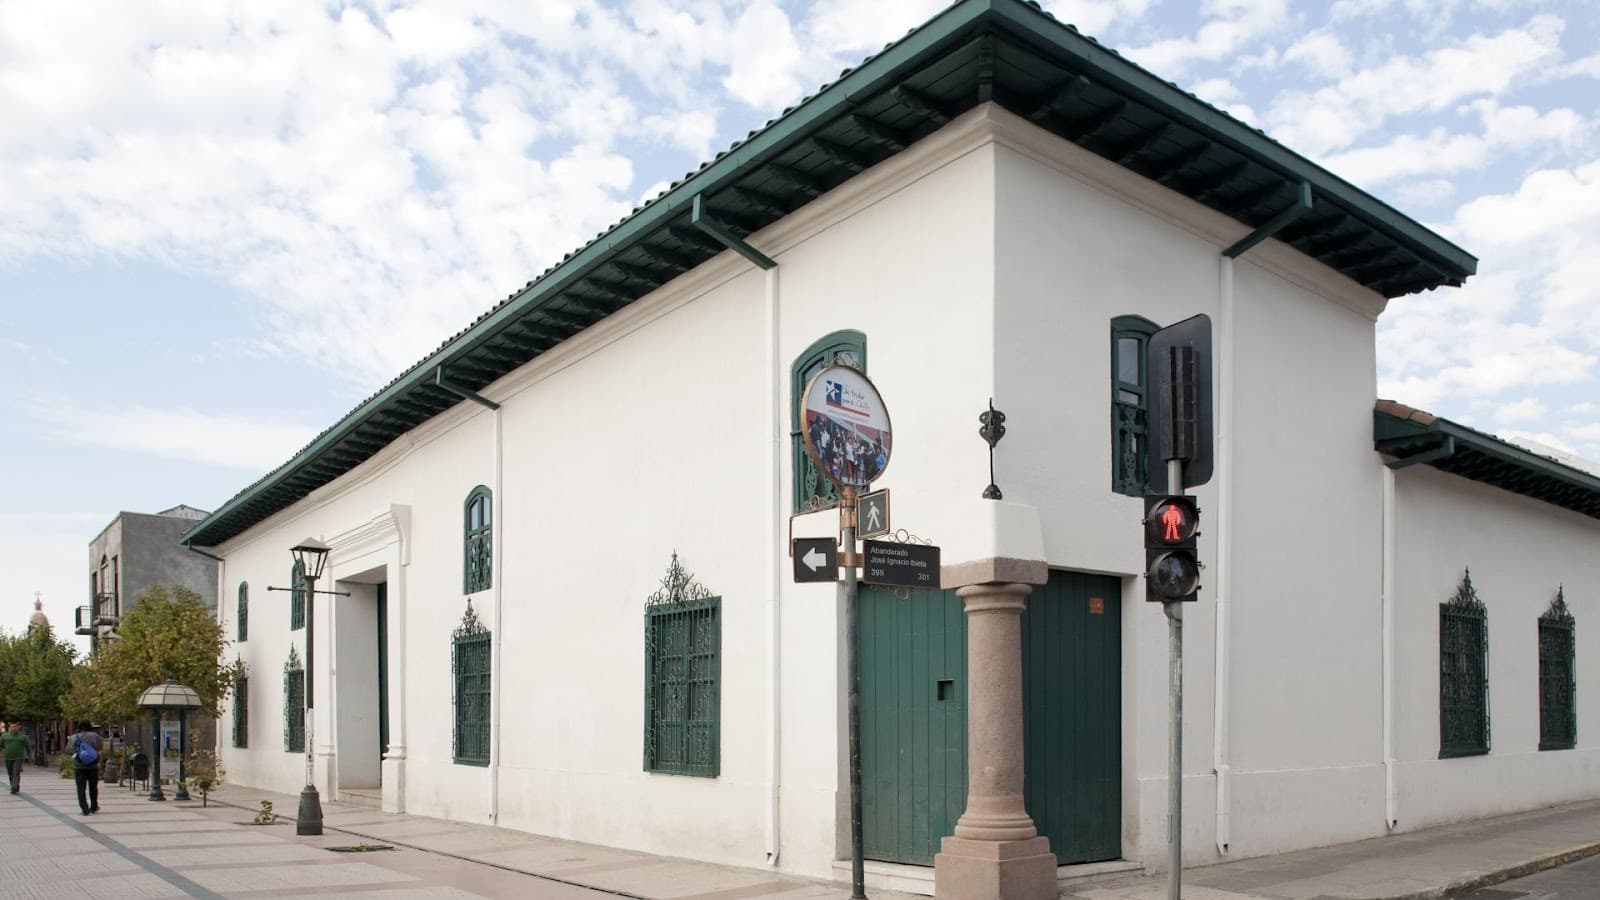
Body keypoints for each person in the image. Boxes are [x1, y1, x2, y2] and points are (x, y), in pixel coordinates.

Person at [68, 721, 101, 814]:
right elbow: (100, 747)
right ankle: (94, 806)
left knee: (80, 788)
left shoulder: (74, 737)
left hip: (79, 766)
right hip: (93, 765)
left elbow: (69, 750)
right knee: (93, 787)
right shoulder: (95, 736)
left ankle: (84, 808)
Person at [2, 723, 28, 794]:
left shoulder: (23, 737)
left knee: (15, 772)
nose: (14, 728)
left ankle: (14, 787)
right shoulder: (4, 736)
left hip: (18, 757)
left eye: (15, 727)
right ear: (9, 728)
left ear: (18, 728)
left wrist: (29, 756)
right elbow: (1, 745)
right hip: (8, 757)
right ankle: (15, 785)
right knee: (10, 773)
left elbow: (27, 747)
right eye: (12, 727)